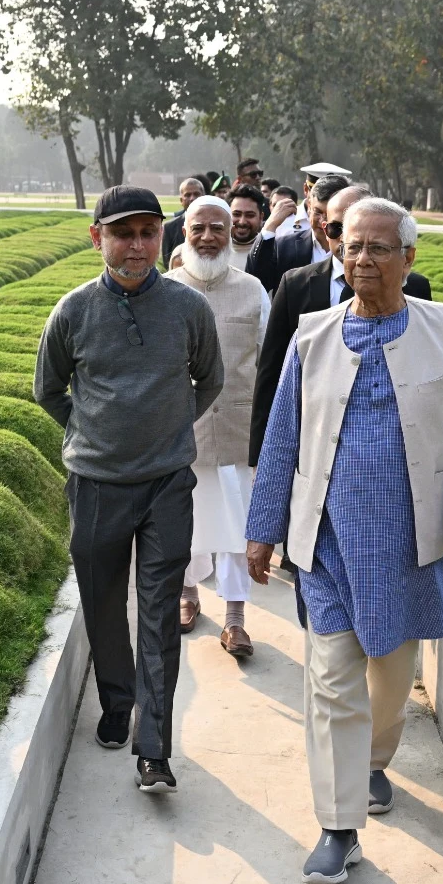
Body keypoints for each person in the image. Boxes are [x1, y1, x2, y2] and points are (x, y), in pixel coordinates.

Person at [244, 197, 443, 884]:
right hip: (327, 541)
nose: (361, 259)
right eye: (350, 245)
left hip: (411, 544)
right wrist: (262, 530)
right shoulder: (312, 336)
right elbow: (283, 438)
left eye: (379, 248)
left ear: (409, 258)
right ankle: (338, 826)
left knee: (391, 675)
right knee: (331, 681)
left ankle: (375, 762)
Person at [35, 185, 225, 795]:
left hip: (167, 485)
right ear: (98, 238)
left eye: (148, 232)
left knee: (160, 613)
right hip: (96, 486)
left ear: (161, 236)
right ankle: (117, 702)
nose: (137, 245)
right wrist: (93, 433)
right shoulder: (73, 311)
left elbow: (210, 380)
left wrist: (167, 431)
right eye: (123, 234)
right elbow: (48, 390)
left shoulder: (189, 309)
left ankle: (154, 748)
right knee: (103, 604)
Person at [249, 185, 433, 468]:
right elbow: (271, 376)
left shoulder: (415, 288)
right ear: (325, 228)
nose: (351, 243)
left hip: (395, 448)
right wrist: (260, 458)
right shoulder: (295, 285)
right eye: (338, 229)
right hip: (313, 445)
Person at [164, 196, 271, 657]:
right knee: (181, 520)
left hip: (236, 427)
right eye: (199, 228)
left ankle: (235, 618)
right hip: (179, 431)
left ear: (231, 235)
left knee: (235, 524)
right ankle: (187, 596)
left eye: (217, 229)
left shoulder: (253, 289)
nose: (208, 237)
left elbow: (269, 362)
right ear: (184, 233)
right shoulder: (163, 289)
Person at [247, 173, 349, 293]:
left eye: (328, 214)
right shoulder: (284, 247)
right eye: (317, 212)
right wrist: (269, 228)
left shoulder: (356, 250)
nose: (322, 221)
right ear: (309, 206)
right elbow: (256, 283)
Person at [161, 176, 209, 267]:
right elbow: (167, 262)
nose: (192, 198)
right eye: (187, 195)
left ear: (203, 197)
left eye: (196, 194)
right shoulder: (169, 227)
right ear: (181, 200)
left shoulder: (214, 225)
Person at [227, 184, 268, 268]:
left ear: (261, 217)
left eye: (250, 215)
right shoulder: (214, 252)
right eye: (236, 214)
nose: (242, 222)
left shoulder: (273, 252)